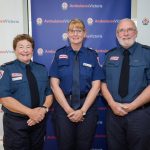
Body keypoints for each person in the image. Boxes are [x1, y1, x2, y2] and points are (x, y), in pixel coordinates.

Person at [49, 19, 105, 150]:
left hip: (87, 107)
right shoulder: (59, 54)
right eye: (72, 31)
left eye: (79, 31)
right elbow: (54, 85)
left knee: (84, 146)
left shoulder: (92, 56)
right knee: (65, 146)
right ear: (67, 34)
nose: (75, 34)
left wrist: (82, 111)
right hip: (63, 108)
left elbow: (96, 86)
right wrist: (69, 110)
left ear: (84, 34)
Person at [101, 18, 150, 150]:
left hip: (140, 116)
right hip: (113, 115)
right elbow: (102, 82)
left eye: (129, 29)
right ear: (117, 35)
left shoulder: (147, 53)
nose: (126, 33)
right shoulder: (109, 55)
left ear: (136, 32)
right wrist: (112, 104)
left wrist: (132, 106)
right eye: (121, 30)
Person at [0, 34, 53, 150]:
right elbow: (4, 99)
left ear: (32, 50)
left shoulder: (41, 69)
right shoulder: (6, 69)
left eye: (28, 47)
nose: (25, 50)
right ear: (15, 50)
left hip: (38, 122)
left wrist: (43, 110)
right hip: (16, 125)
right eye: (21, 47)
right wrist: (30, 112)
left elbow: (48, 94)